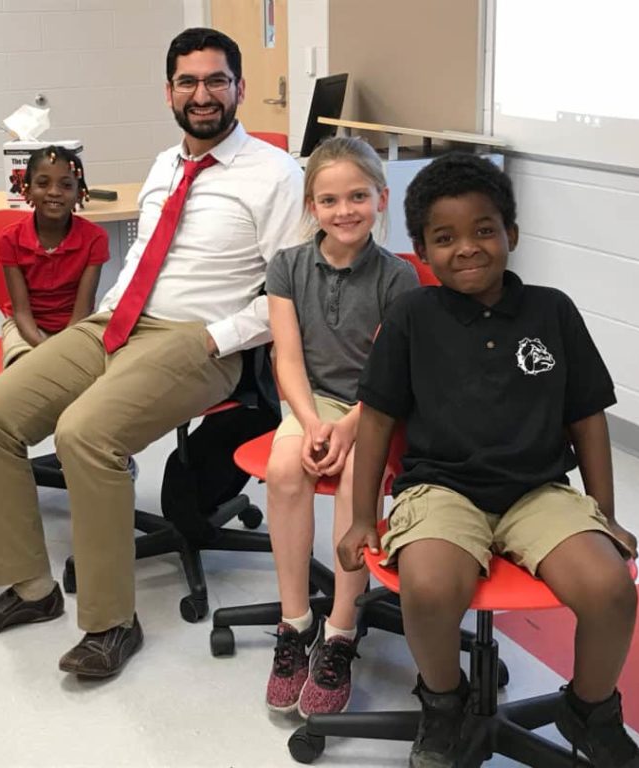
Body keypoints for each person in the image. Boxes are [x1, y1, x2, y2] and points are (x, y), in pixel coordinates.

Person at [0, 27, 304, 679]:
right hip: (119, 321)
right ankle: (30, 589)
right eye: (188, 82)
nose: (202, 94)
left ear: (240, 89)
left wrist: (215, 338)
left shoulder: (277, 175)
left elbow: (288, 293)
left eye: (216, 80)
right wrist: (107, 312)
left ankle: (111, 624)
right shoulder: (165, 164)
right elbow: (147, 251)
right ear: (169, 91)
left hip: (199, 340)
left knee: (86, 434)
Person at [338, 153, 639, 768]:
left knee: (611, 588)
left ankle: (590, 710)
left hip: (537, 490)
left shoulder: (552, 310)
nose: (468, 248)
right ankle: (444, 706)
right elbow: (376, 420)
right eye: (444, 237)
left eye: (484, 230)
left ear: (512, 233)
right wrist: (362, 516)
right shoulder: (411, 317)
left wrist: (603, 513)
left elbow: (586, 417)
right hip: (441, 488)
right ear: (422, 251)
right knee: (429, 587)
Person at [263, 137, 418, 717]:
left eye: (358, 196)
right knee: (284, 468)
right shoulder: (287, 267)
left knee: (358, 476)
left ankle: (341, 631)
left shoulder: (397, 278)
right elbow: (288, 360)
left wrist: (351, 429)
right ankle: (295, 621)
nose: (344, 210)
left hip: (376, 408)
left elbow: (392, 373)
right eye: (329, 200)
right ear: (311, 207)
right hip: (310, 402)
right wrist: (308, 422)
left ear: (381, 198)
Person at [0, 145, 109, 367]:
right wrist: (43, 348)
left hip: (77, 325)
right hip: (27, 328)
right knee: (24, 370)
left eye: (66, 185)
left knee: (95, 369)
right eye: (42, 183)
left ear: (80, 193)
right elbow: (21, 311)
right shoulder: (9, 240)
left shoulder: (95, 238)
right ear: (26, 190)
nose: (54, 192)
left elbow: (83, 308)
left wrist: (62, 347)